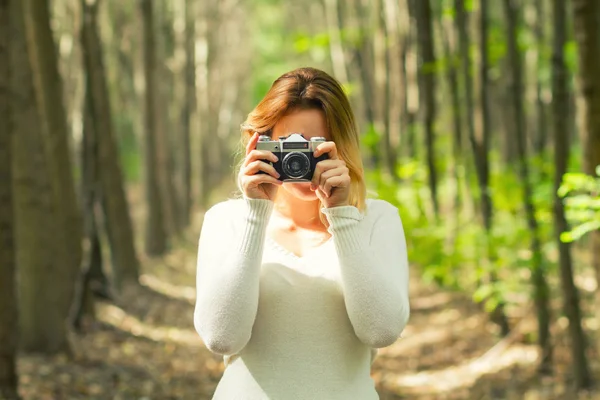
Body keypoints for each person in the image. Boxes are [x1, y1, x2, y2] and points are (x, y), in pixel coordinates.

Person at [193, 67, 410, 399]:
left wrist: (340, 216)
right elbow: (221, 338)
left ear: (344, 145)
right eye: (291, 145)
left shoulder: (378, 219)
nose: (303, 161)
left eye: (318, 146)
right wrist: (256, 215)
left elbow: (381, 331)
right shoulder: (227, 221)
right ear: (260, 143)